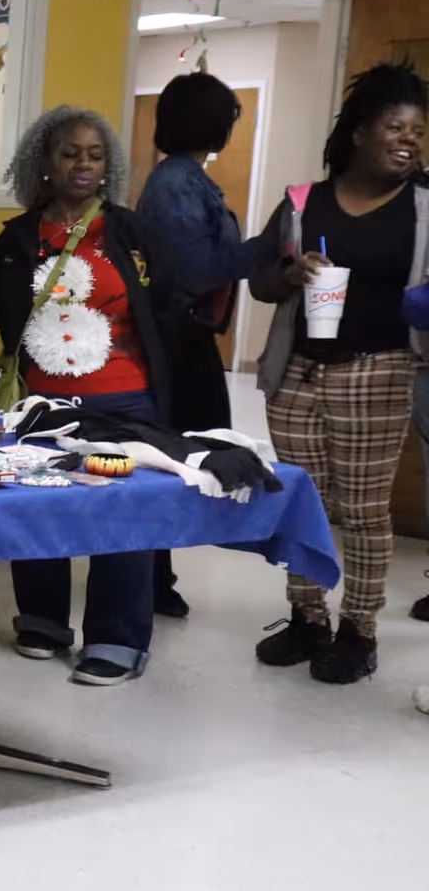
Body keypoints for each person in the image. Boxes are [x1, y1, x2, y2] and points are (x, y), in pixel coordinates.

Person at [0, 106, 180, 685]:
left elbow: (167, 302)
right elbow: (2, 305)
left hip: (125, 398)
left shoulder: (131, 232)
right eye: (70, 153)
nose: (83, 165)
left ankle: (117, 640)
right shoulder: (18, 237)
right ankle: (42, 619)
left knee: (122, 512)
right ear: (43, 162)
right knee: (39, 505)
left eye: (95, 156)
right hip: (42, 399)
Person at [252, 63, 428, 685]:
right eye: (395, 127)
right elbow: (261, 280)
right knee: (302, 501)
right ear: (359, 131)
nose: (409, 140)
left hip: (378, 372)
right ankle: (307, 618)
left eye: (418, 131)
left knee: (363, 509)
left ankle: (359, 630)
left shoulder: (425, 208)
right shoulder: (303, 202)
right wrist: (289, 274)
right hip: (296, 372)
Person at [134, 72, 256, 621]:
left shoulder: (187, 178)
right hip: (175, 342)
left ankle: (156, 575)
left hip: (186, 338)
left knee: (186, 452)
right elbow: (197, 268)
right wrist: (269, 248)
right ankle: (151, 578)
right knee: (176, 458)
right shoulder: (178, 185)